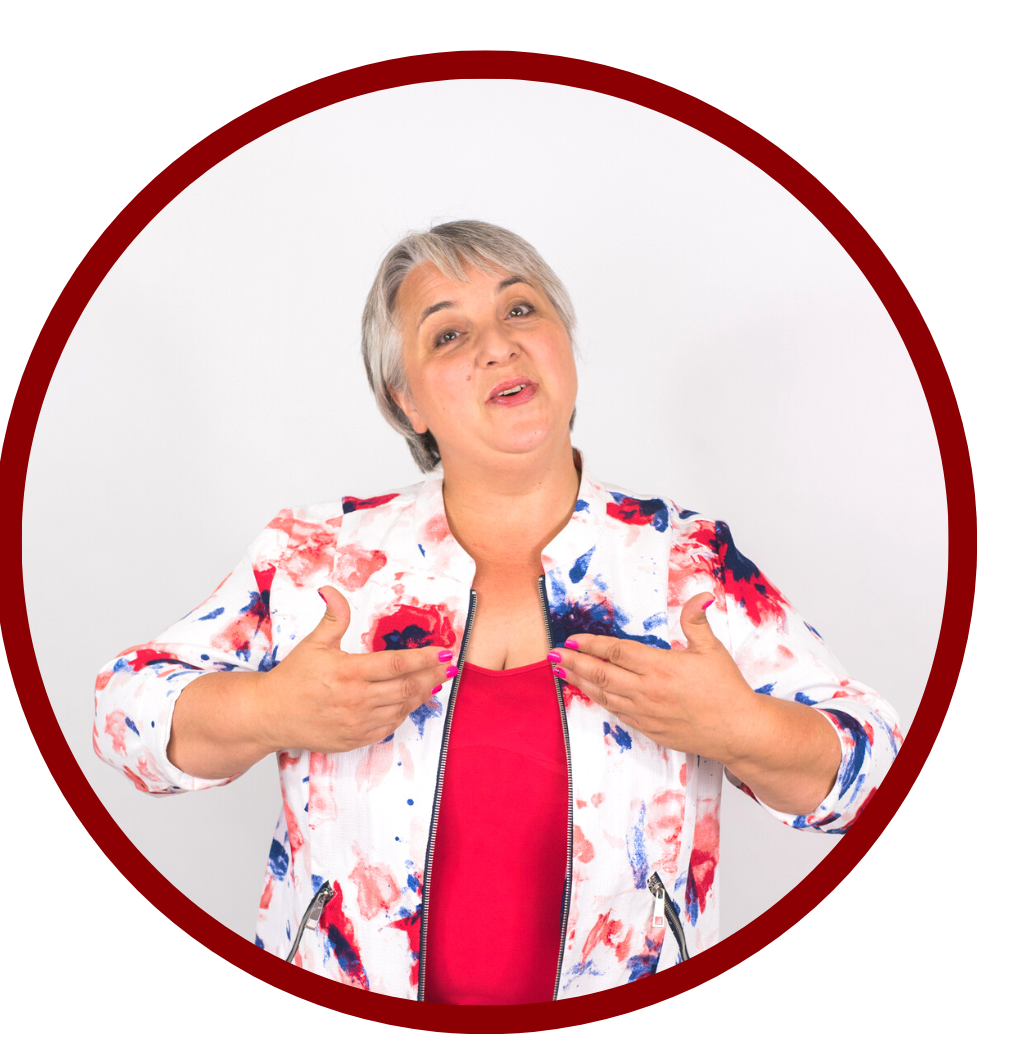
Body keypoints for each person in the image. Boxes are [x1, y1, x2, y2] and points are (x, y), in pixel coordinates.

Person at [93, 220, 901, 1004]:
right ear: (406, 401)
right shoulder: (316, 555)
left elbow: (878, 777)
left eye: (521, 308)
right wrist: (268, 708)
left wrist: (742, 728)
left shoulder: (685, 560)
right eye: (448, 334)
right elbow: (121, 718)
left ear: (565, 345)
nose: (497, 344)